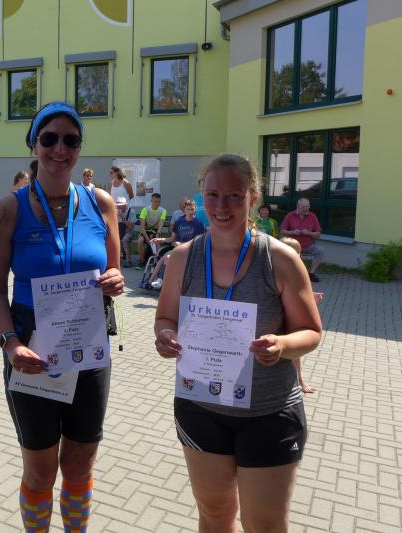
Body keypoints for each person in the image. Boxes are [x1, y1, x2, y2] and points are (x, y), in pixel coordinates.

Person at [154, 154, 322, 532]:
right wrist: (165, 337)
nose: (221, 206)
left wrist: (282, 344)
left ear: (253, 197)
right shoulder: (182, 258)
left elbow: (311, 331)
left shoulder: (279, 259)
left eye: (234, 195)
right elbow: (165, 319)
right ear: (201, 196)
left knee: (264, 524)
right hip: (201, 408)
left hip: (268, 412)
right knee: (214, 515)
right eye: (212, 195)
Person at [0, 101, 124, 532]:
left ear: (79, 148)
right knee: (41, 471)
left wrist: (115, 280)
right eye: (50, 138)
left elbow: (114, 269)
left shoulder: (101, 203)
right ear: (34, 144)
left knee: (79, 465)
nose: (60, 149)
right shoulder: (7, 211)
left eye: (70, 140)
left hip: (88, 347)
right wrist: (10, 343)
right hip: (31, 349)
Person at [280, 237, 323, 394]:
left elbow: (301, 294)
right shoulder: (275, 268)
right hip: (280, 316)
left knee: (296, 353)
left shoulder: (298, 270)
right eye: (293, 251)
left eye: (298, 252)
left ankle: (299, 380)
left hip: (292, 317)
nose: (296, 255)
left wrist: (311, 298)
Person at [144, 198, 205, 289]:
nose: (190, 212)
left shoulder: (198, 224)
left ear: (195, 209)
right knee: (162, 258)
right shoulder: (179, 222)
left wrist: (181, 243)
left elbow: (198, 241)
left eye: (192, 209)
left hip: (191, 250)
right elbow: (172, 238)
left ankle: (161, 280)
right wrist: (160, 239)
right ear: (184, 210)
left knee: (168, 257)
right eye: (188, 209)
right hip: (178, 249)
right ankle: (150, 281)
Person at [280, 197, 325, 282]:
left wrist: (309, 233)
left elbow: (318, 235)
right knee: (293, 255)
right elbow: (282, 232)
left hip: (308, 245)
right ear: (298, 206)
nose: (306, 209)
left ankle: (311, 274)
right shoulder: (290, 215)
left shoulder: (312, 216)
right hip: (293, 246)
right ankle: (297, 274)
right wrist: (293, 232)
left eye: (307, 206)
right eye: (303, 207)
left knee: (320, 250)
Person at [136, 193, 167, 267]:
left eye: (159, 202)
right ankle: (142, 261)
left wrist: (157, 235)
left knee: (157, 243)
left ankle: (156, 262)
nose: (157, 203)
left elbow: (160, 225)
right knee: (140, 241)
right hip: (146, 231)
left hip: (155, 231)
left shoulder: (163, 211)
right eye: (155, 201)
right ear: (151, 201)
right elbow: (142, 227)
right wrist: (147, 238)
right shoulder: (145, 210)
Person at [115, 196, 135, 267]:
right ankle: (116, 259)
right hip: (119, 231)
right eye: (117, 205)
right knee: (112, 239)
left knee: (125, 240)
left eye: (120, 205)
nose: (118, 207)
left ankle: (128, 260)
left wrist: (122, 217)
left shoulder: (131, 212)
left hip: (129, 231)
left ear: (124, 205)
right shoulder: (115, 211)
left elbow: (131, 227)